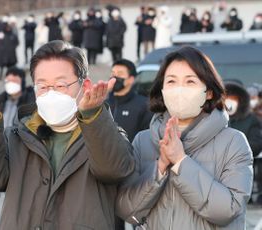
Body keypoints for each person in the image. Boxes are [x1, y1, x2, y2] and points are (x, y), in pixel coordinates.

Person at [0, 40, 135, 229]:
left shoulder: (108, 135)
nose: (51, 93)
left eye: (60, 85)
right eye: (42, 86)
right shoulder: (17, 137)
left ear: (84, 86)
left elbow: (114, 170)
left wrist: (92, 116)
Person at [116, 46, 253, 229]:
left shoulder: (234, 142)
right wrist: (160, 168)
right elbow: (127, 212)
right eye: (171, 81)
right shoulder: (143, 141)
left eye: (190, 82)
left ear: (209, 92)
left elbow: (228, 210)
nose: (179, 89)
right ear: (162, 90)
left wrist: (180, 162)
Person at [224, 81, 262, 204]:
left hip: (241, 173)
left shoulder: (251, 119)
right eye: (226, 97)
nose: (229, 101)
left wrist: (234, 149)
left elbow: (256, 144)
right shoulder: (214, 118)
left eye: (233, 98)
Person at [108, 59, 153, 142]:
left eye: (120, 74)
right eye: (113, 73)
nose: (114, 78)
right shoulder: (103, 103)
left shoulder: (144, 105)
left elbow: (147, 140)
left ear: (131, 79)